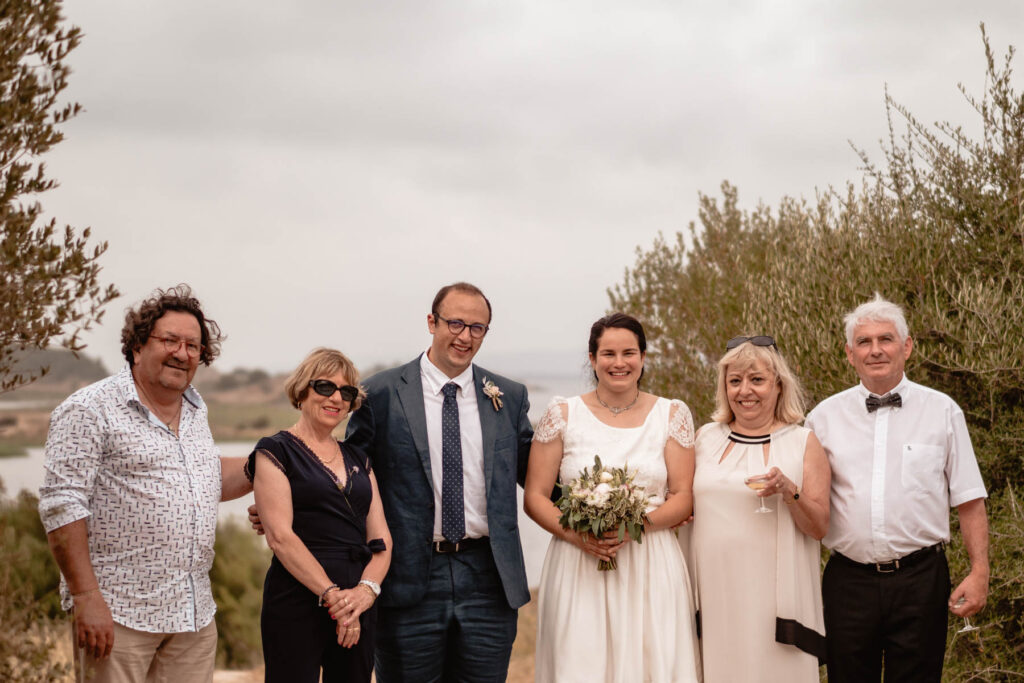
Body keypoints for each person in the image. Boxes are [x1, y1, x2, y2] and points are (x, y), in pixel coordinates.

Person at [38, 285, 253, 682]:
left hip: (192, 616)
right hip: (118, 614)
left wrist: (275, 464)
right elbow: (61, 504)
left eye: (193, 346)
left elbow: (206, 479)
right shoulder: (88, 409)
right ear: (137, 346)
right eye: (170, 340)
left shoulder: (194, 409)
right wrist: (86, 597)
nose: (183, 353)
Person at [343, 282, 534, 682]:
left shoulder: (508, 397)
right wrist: (292, 503)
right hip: (407, 578)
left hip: (488, 579)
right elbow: (350, 479)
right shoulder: (380, 394)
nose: (465, 336)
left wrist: (599, 505)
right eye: (456, 323)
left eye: (477, 328)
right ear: (432, 322)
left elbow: (535, 474)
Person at [806, 295, 989, 683]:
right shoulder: (821, 419)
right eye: (864, 342)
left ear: (906, 346)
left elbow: (970, 499)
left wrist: (980, 571)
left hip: (921, 579)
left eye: (885, 339)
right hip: (848, 582)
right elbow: (806, 504)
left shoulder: (943, 411)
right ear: (849, 353)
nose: (875, 350)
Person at [524, 312, 702, 682]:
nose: (618, 363)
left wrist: (632, 527)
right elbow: (536, 497)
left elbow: (683, 496)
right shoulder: (562, 414)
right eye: (608, 354)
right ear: (592, 359)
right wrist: (579, 536)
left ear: (643, 357)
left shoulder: (671, 414)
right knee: (580, 662)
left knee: (653, 662)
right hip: (577, 561)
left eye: (628, 353)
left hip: (650, 561)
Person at [690, 335, 829, 682]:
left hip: (774, 602)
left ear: (779, 385)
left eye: (757, 380)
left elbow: (819, 527)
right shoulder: (705, 438)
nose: (745, 390)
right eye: (735, 381)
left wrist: (788, 490)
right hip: (717, 594)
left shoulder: (802, 442)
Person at [247, 347, 391, 682]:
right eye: (325, 387)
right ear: (302, 390)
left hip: (358, 603)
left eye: (347, 392)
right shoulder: (274, 451)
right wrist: (332, 596)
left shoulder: (359, 459)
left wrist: (365, 593)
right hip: (297, 598)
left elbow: (381, 540)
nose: (337, 398)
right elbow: (280, 537)